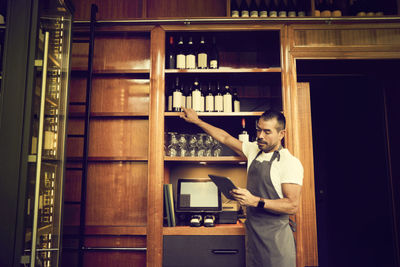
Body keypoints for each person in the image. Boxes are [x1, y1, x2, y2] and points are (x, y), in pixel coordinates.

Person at [180, 107, 303, 267]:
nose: (260, 136)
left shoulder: (290, 163)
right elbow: (224, 138)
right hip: (253, 238)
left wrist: (255, 201)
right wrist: (197, 121)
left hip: (276, 242)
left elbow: (292, 205)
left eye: (267, 132)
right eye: (258, 130)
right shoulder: (254, 150)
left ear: (281, 134)